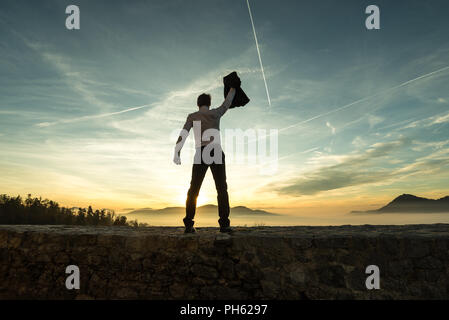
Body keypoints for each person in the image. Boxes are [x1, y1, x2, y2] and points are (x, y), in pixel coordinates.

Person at [173, 85, 237, 233]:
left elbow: (184, 134)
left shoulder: (192, 116)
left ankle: (188, 224)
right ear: (208, 103)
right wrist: (232, 89)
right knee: (222, 188)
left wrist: (177, 151)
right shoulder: (215, 113)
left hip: (201, 152)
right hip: (215, 150)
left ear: (198, 103)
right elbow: (227, 103)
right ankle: (224, 224)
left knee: (194, 189)